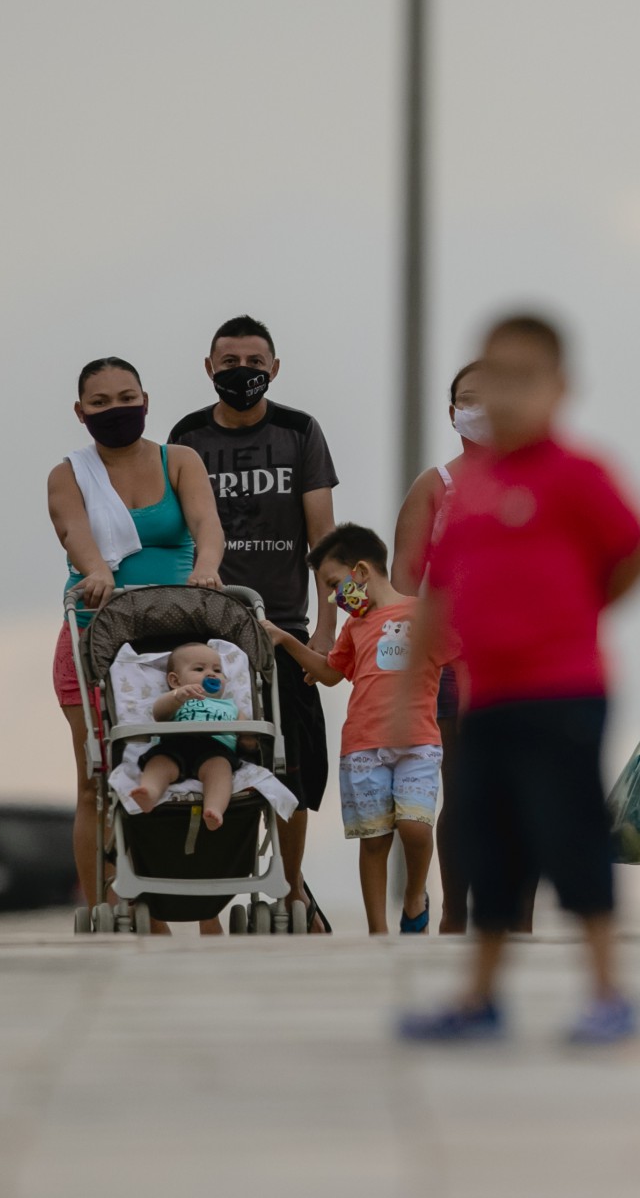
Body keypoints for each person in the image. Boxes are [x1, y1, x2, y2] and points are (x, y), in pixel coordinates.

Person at [401, 313, 640, 1045]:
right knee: (490, 843)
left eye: (521, 379)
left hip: (565, 691)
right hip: (486, 697)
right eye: (488, 381)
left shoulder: (580, 475)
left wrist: (581, 609)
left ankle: (608, 991)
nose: (503, 397)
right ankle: (479, 996)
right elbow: (436, 587)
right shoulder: (471, 488)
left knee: (570, 834)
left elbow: (635, 549)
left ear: (560, 387)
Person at [169, 316, 338, 929]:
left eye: (255, 359)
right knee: (205, 759)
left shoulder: (299, 432)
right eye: (230, 360)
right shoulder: (187, 435)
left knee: (295, 768)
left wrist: (327, 629)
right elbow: (179, 526)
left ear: (274, 366)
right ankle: (207, 896)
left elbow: (326, 541)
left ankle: (292, 889)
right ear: (209, 368)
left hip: (283, 629)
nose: (243, 370)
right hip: (209, 629)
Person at [48, 357, 223, 919]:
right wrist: (96, 569)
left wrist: (209, 568)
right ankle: (109, 904)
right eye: (100, 403)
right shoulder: (69, 474)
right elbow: (75, 531)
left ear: (145, 400)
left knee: (200, 764)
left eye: (126, 397)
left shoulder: (181, 461)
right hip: (95, 637)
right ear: (80, 413)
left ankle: (208, 904)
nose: (115, 410)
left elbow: (207, 525)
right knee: (95, 779)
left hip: (177, 640)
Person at [265, 524, 446, 935]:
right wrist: (286, 641)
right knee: (375, 839)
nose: (334, 597)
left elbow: (464, 654)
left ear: (361, 571)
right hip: (363, 748)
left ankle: (415, 892)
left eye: (334, 584)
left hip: (418, 741)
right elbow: (330, 673)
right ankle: (378, 931)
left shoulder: (425, 614)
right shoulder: (355, 628)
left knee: (416, 828)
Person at [391, 361, 489, 935]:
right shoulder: (436, 487)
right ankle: (455, 912)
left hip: (527, 666)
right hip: (452, 663)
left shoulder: (541, 482)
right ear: (451, 412)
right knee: (463, 787)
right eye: (467, 399)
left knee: (519, 794)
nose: (480, 409)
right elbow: (402, 583)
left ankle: (515, 915)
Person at [135, 643, 238, 829]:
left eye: (217, 670)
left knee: (221, 771)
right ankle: (149, 792)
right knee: (159, 762)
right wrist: (177, 697)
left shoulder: (230, 706)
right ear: (175, 681)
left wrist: (249, 740)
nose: (211, 674)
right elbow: (159, 714)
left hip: (215, 749)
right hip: (175, 743)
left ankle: (214, 809)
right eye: (199, 669)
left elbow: (246, 730)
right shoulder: (176, 699)